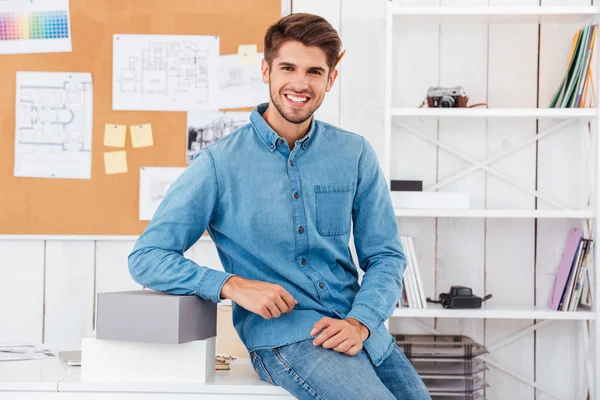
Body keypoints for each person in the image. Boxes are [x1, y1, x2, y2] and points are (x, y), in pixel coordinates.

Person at [128, 12, 431, 400]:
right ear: (266, 70)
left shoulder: (354, 153)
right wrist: (231, 286)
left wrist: (361, 322)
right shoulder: (218, 165)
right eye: (288, 67)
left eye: (314, 72)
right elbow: (147, 256)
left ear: (331, 79)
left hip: (362, 333)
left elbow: (386, 256)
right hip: (286, 339)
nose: (300, 84)